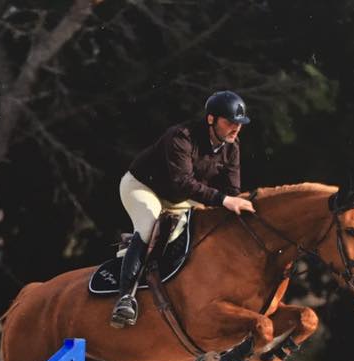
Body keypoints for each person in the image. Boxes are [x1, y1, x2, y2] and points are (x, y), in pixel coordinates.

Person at [110, 90, 257, 328]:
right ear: (211, 119)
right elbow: (183, 182)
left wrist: (234, 203)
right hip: (143, 187)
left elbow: (232, 190)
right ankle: (125, 298)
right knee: (149, 228)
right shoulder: (182, 136)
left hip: (181, 197)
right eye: (230, 122)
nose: (236, 128)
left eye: (239, 123)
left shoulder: (232, 147)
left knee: (209, 228)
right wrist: (223, 200)